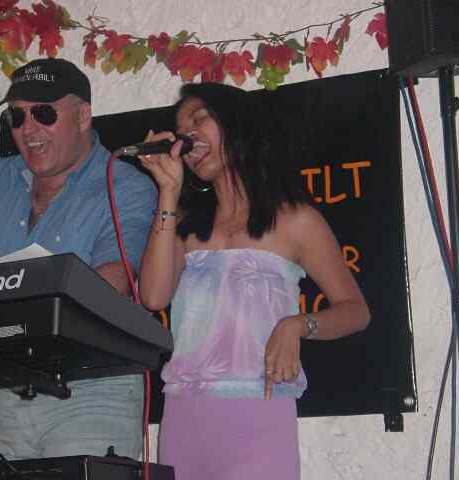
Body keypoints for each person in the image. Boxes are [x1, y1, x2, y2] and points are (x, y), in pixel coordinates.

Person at [0, 58, 157, 460]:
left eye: (44, 113)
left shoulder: (125, 187)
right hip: (0, 391)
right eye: (17, 116)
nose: (28, 129)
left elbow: (113, 281)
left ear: (83, 116)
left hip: (90, 391)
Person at [138, 82, 370, 480]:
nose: (187, 135)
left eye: (199, 119)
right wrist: (168, 193)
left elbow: (356, 312)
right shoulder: (185, 226)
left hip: (257, 415)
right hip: (183, 416)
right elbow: (153, 296)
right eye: (181, 129)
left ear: (237, 125)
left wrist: (297, 324)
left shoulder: (296, 220)